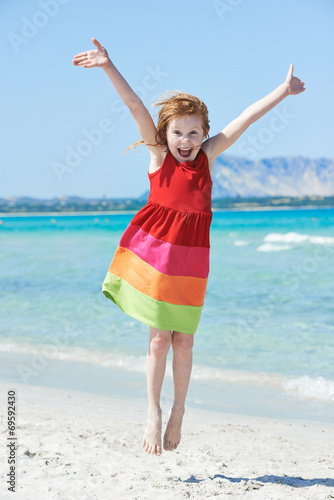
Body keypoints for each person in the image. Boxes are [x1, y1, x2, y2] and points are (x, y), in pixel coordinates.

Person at [72, 38, 305, 456]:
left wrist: (282, 91)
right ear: (166, 133)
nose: (185, 139)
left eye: (193, 132)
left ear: (204, 133)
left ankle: (179, 410)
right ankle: (152, 412)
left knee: (185, 342)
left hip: (193, 264)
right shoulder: (159, 155)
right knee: (159, 339)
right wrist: (109, 66)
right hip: (158, 260)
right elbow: (135, 107)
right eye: (178, 132)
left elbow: (246, 119)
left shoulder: (208, 156)